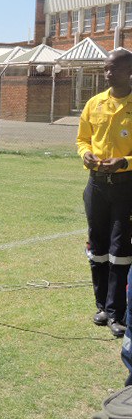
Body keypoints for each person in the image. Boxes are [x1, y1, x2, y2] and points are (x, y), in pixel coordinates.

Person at [77, 49, 132, 342]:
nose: (108, 73)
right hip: (96, 185)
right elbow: (82, 138)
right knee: (97, 248)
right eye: (106, 68)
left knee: (120, 250)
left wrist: (125, 162)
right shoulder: (94, 103)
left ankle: (117, 312)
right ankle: (101, 306)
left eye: (114, 68)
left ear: (129, 71)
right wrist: (85, 153)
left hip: (126, 185)